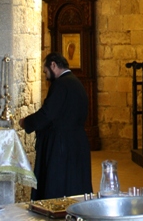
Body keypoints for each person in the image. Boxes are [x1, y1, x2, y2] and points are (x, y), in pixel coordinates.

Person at [19, 52, 93, 200]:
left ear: (53, 65)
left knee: (58, 184)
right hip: (78, 140)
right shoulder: (76, 83)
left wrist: (26, 122)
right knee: (75, 181)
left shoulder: (60, 84)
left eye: (46, 71)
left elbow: (47, 113)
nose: (46, 76)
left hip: (61, 144)